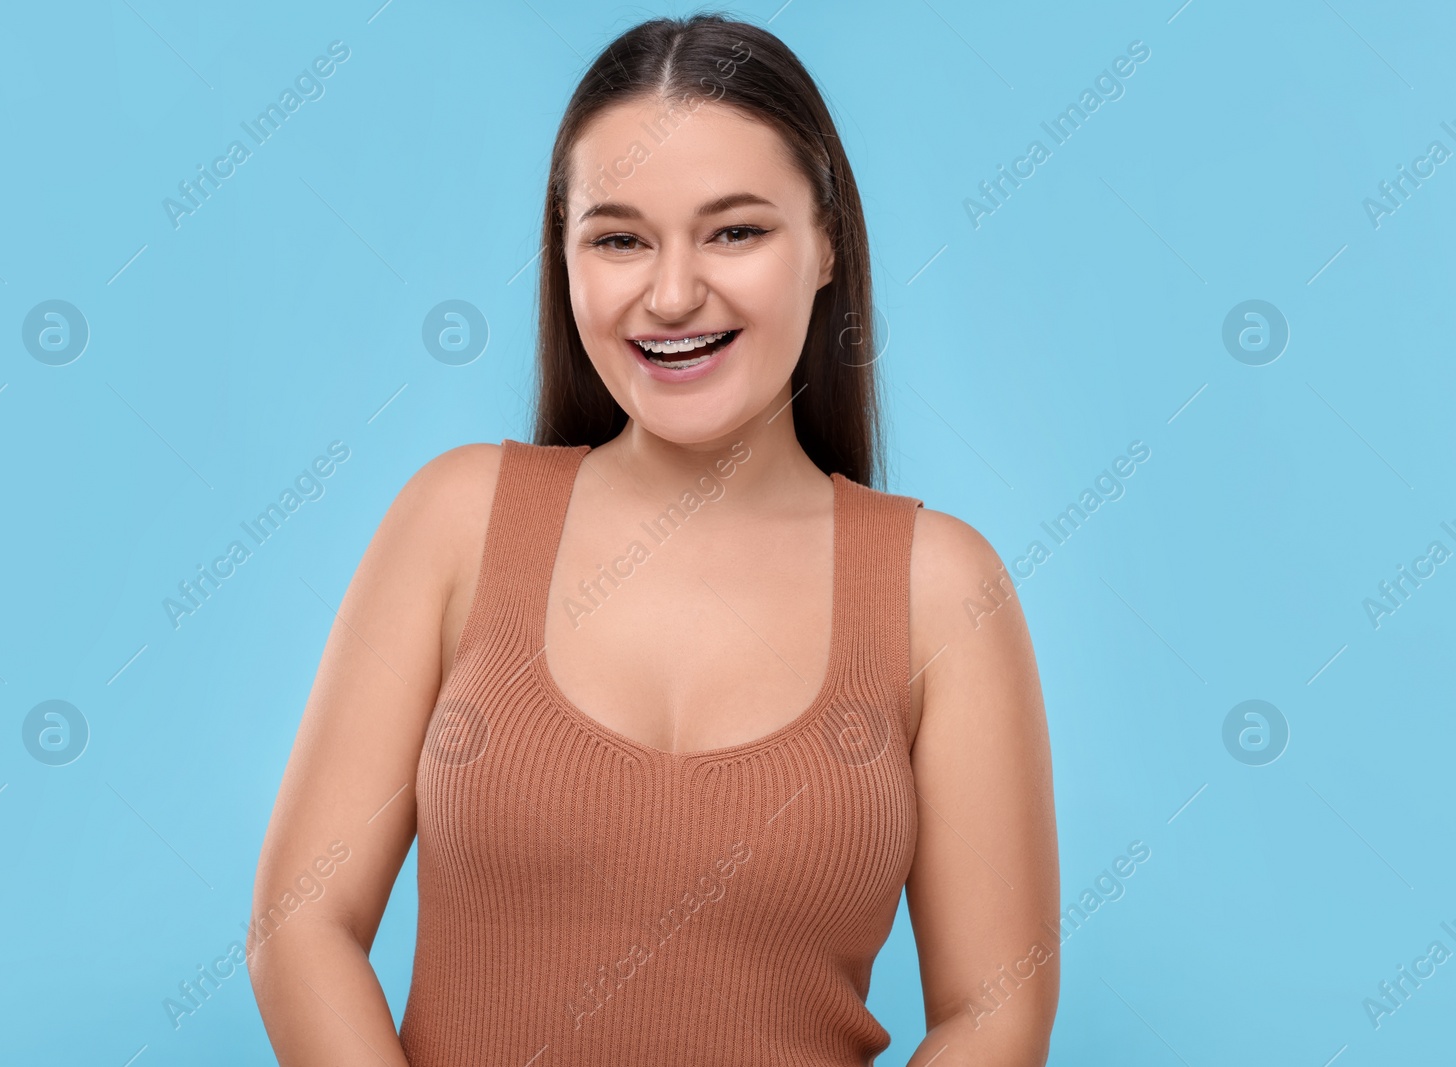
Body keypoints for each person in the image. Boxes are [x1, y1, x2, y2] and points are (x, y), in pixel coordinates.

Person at [248, 12, 1058, 1065]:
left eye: (734, 231)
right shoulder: (457, 520)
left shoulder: (942, 589)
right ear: (565, 259)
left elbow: (994, 1013)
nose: (672, 294)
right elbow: (299, 927)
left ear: (825, 246)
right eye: (619, 237)